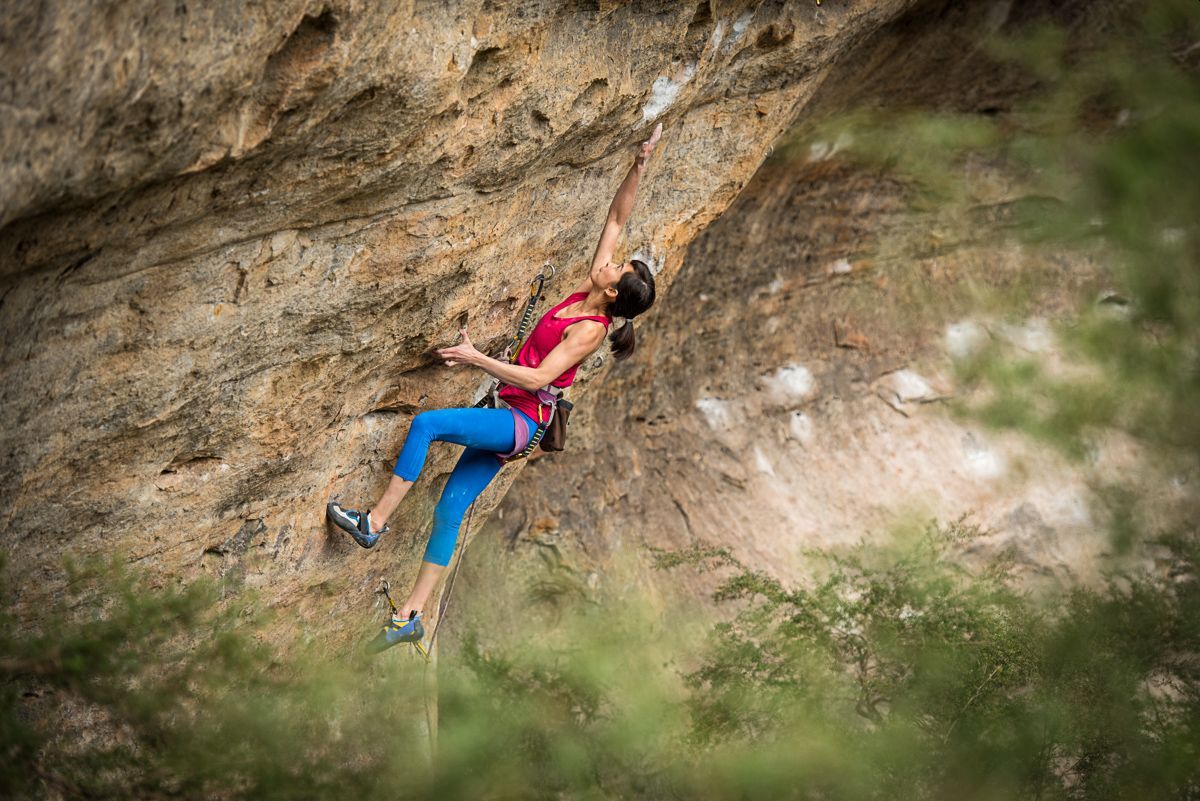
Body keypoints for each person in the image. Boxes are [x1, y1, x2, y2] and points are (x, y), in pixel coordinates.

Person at [327, 123, 662, 628]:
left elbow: (535, 380)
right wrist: (639, 164)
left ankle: (373, 523)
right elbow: (617, 217)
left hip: (522, 420)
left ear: (614, 293)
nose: (609, 262)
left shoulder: (591, 329)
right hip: (513, 419)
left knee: (426, 425)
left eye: (617, 268)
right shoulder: (587, 294)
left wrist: (475, 356)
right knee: (450, 509)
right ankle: (412, 616)